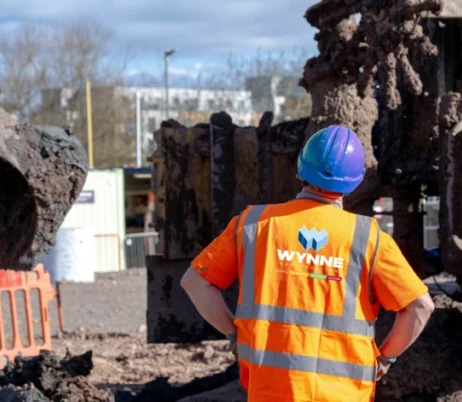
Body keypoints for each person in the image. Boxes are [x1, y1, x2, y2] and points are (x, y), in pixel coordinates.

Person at [181, 124, 435, 401]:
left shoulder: (253, 224)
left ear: (302, 166)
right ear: (355, 180)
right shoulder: (369, 237)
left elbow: (195, 282)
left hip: (270, 390)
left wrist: (234, 335)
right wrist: (385, 359)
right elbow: (420, 307)